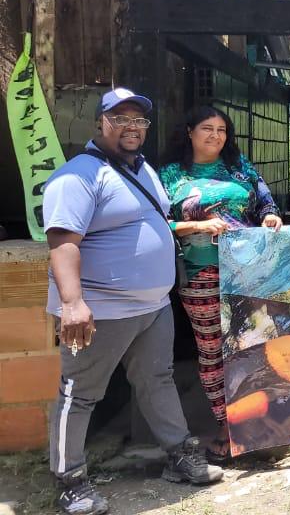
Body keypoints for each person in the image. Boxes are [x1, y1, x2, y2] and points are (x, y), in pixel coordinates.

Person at [43, 88, 222, 515]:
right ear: (100, 123)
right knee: (79, 394)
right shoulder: (78, 176)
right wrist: (72, 304)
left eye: (139, 120)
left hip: (152, 307)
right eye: (120, 118)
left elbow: (155, 222)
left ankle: (179, 455)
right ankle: (70, 481)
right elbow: (62, 242)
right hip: (101, 310)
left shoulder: (143, 169)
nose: (131, 126)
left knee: (157, 379)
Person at [159, 106, 284, 462]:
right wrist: (196, 226)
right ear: (189, 132)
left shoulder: (240, 167)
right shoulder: (170, 174)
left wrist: (270, 216)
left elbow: (266, 203)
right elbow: (156, 223)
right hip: (201, 274)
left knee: (255, 343)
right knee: (214, 350)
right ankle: (227, 426)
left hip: (249, 271)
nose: (215, 135)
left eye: (221, 130)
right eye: (207, 128)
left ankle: (262, 427)